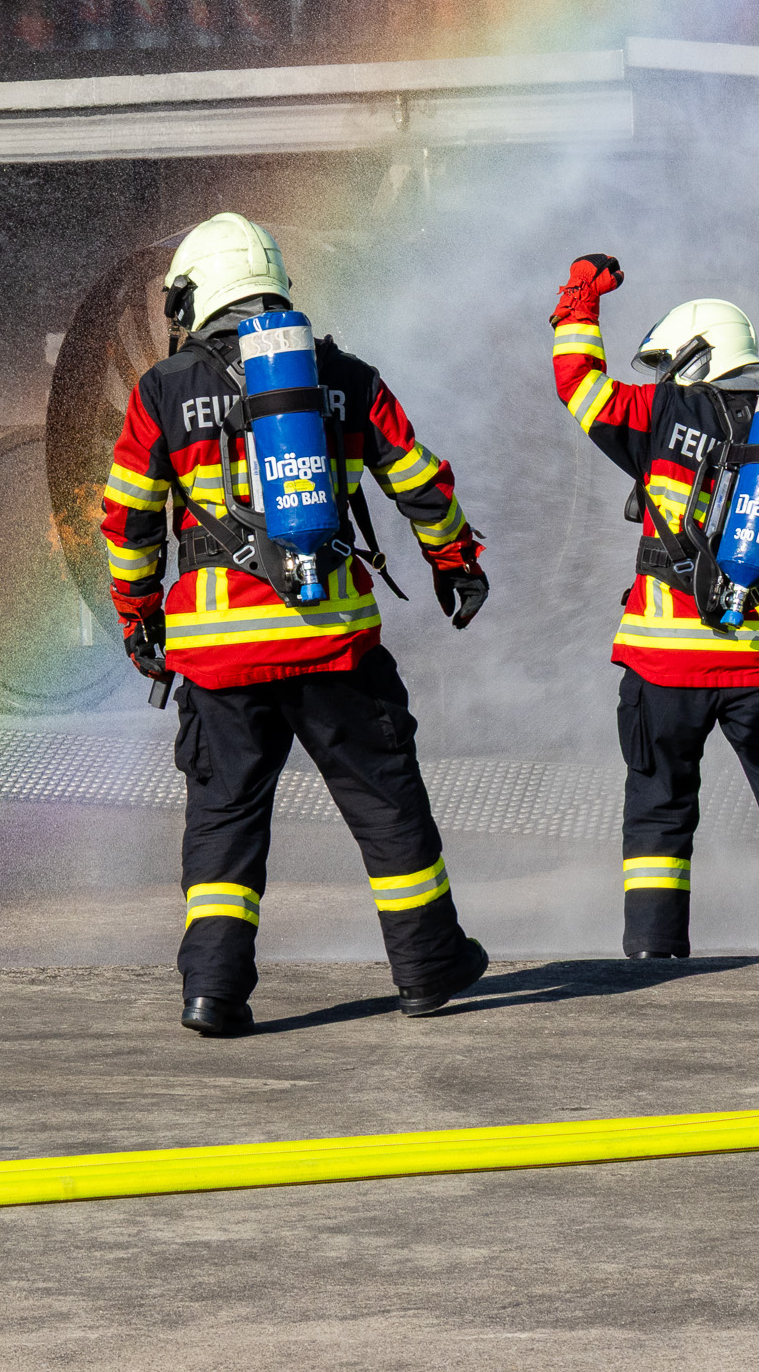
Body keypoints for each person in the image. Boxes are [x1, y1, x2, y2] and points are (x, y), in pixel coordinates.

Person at [103, 212, 494, 1036]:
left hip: (218, 657)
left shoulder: (163, 391)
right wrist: (455, 563)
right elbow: (418, 479)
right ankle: (427, 969)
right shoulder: (347, 377)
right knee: (386, 805)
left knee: (225, 821)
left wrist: (140, 623)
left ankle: (213, 992)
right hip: (334, 645)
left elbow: (130, 519)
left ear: (195, 295)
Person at [548, 252, 759, 959]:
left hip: (663, 665)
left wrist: (580, 298)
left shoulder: (657, 410)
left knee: (659, 813)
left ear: (695, 356)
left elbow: (577, 385)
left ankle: (653, 953)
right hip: (758, 668)